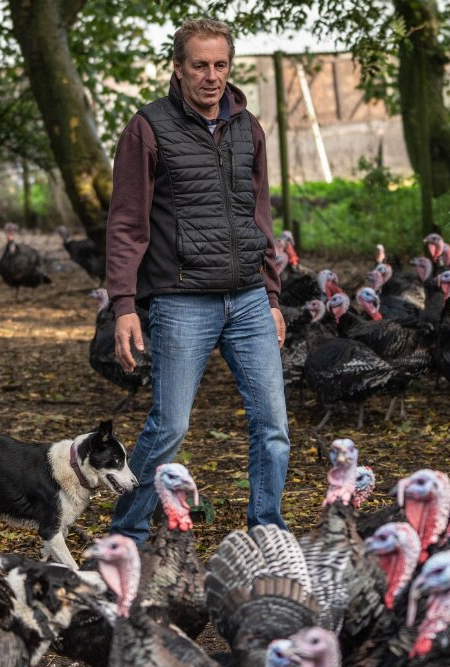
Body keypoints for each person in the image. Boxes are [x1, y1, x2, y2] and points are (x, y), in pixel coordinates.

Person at [106, 17, 289, 545]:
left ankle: (266, 532)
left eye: (220, 65)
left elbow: (260, 216)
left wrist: (272, 294)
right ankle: (127, 531)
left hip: (249, 298)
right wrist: (123, 304)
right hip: (182, 298)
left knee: (273, 427)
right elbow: (126, 222)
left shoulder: (247, 127)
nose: (212, 76)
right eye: (200, 65)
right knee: (170, 428)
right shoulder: (148, 128)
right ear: (178, 68)